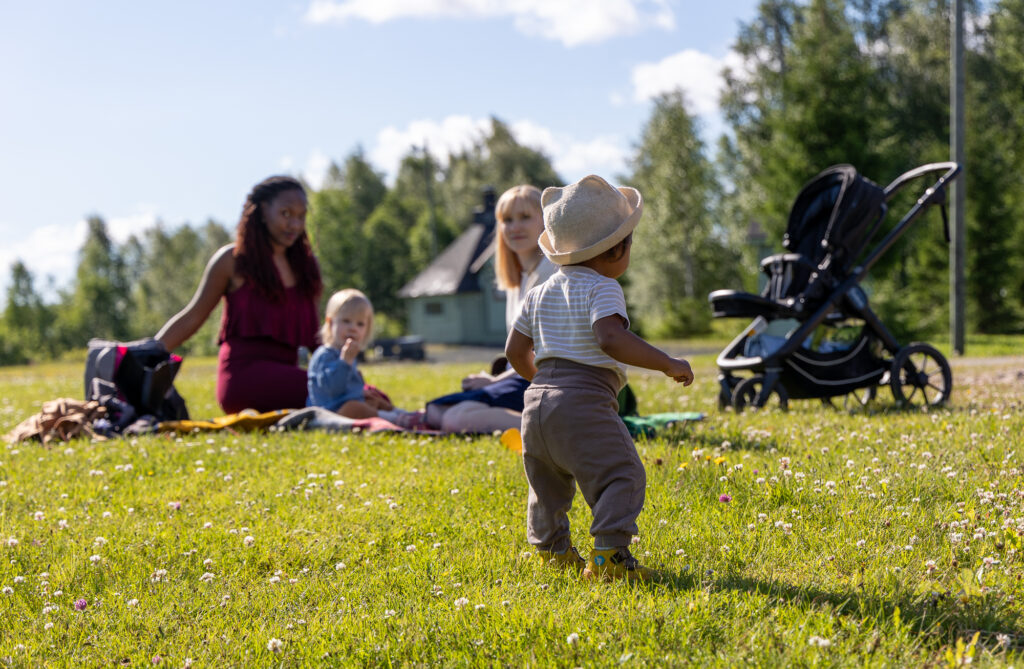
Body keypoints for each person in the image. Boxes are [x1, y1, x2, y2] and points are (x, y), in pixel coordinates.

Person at [505, 174, 694, 581]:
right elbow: (610, 338)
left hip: (536, 404)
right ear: (618, 248)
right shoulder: (602, 287)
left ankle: (553, 552)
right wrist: (666, 362)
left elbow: (515, 352)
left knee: (547, 486)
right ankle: (610, 556)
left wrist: (544, 384)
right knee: (622, 473)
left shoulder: (538, 292)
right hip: (584, 401)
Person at [156, 175, 321, 414]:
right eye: (286, 214)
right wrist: (145, 354)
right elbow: (193, 317)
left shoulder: (306, 267)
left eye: (301, 216)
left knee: (356, 390)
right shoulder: (232, 261)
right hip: (243, 379)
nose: (295, 224)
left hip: (288, 377)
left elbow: (316, 339)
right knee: (339, 392)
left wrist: (342, 372)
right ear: (262, 211)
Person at [425, 185, 557, 432]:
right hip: (518, 378)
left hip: (544, 381)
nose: (515, 227)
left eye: (525, 217)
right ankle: (539, 423)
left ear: (545, 222)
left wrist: (493, 381)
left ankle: (552, 429)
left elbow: (544, 355)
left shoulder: (552, 274)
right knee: (437, 410)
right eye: (507, 220)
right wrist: (495, 380)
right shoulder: (519, 280)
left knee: (453, 418)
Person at [306, 289, 418, 424]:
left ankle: (404, 414)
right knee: (355, 408)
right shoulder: (324, 355)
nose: (353, 328)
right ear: (330, 323)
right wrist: (345, 362)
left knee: (375, 400)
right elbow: (333, 389)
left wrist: (360, 392)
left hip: (350, 403)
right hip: (330, 411)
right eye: (346, 321)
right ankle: (396, 419)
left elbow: (350, 385)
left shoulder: (348, 355)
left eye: (360, 324)